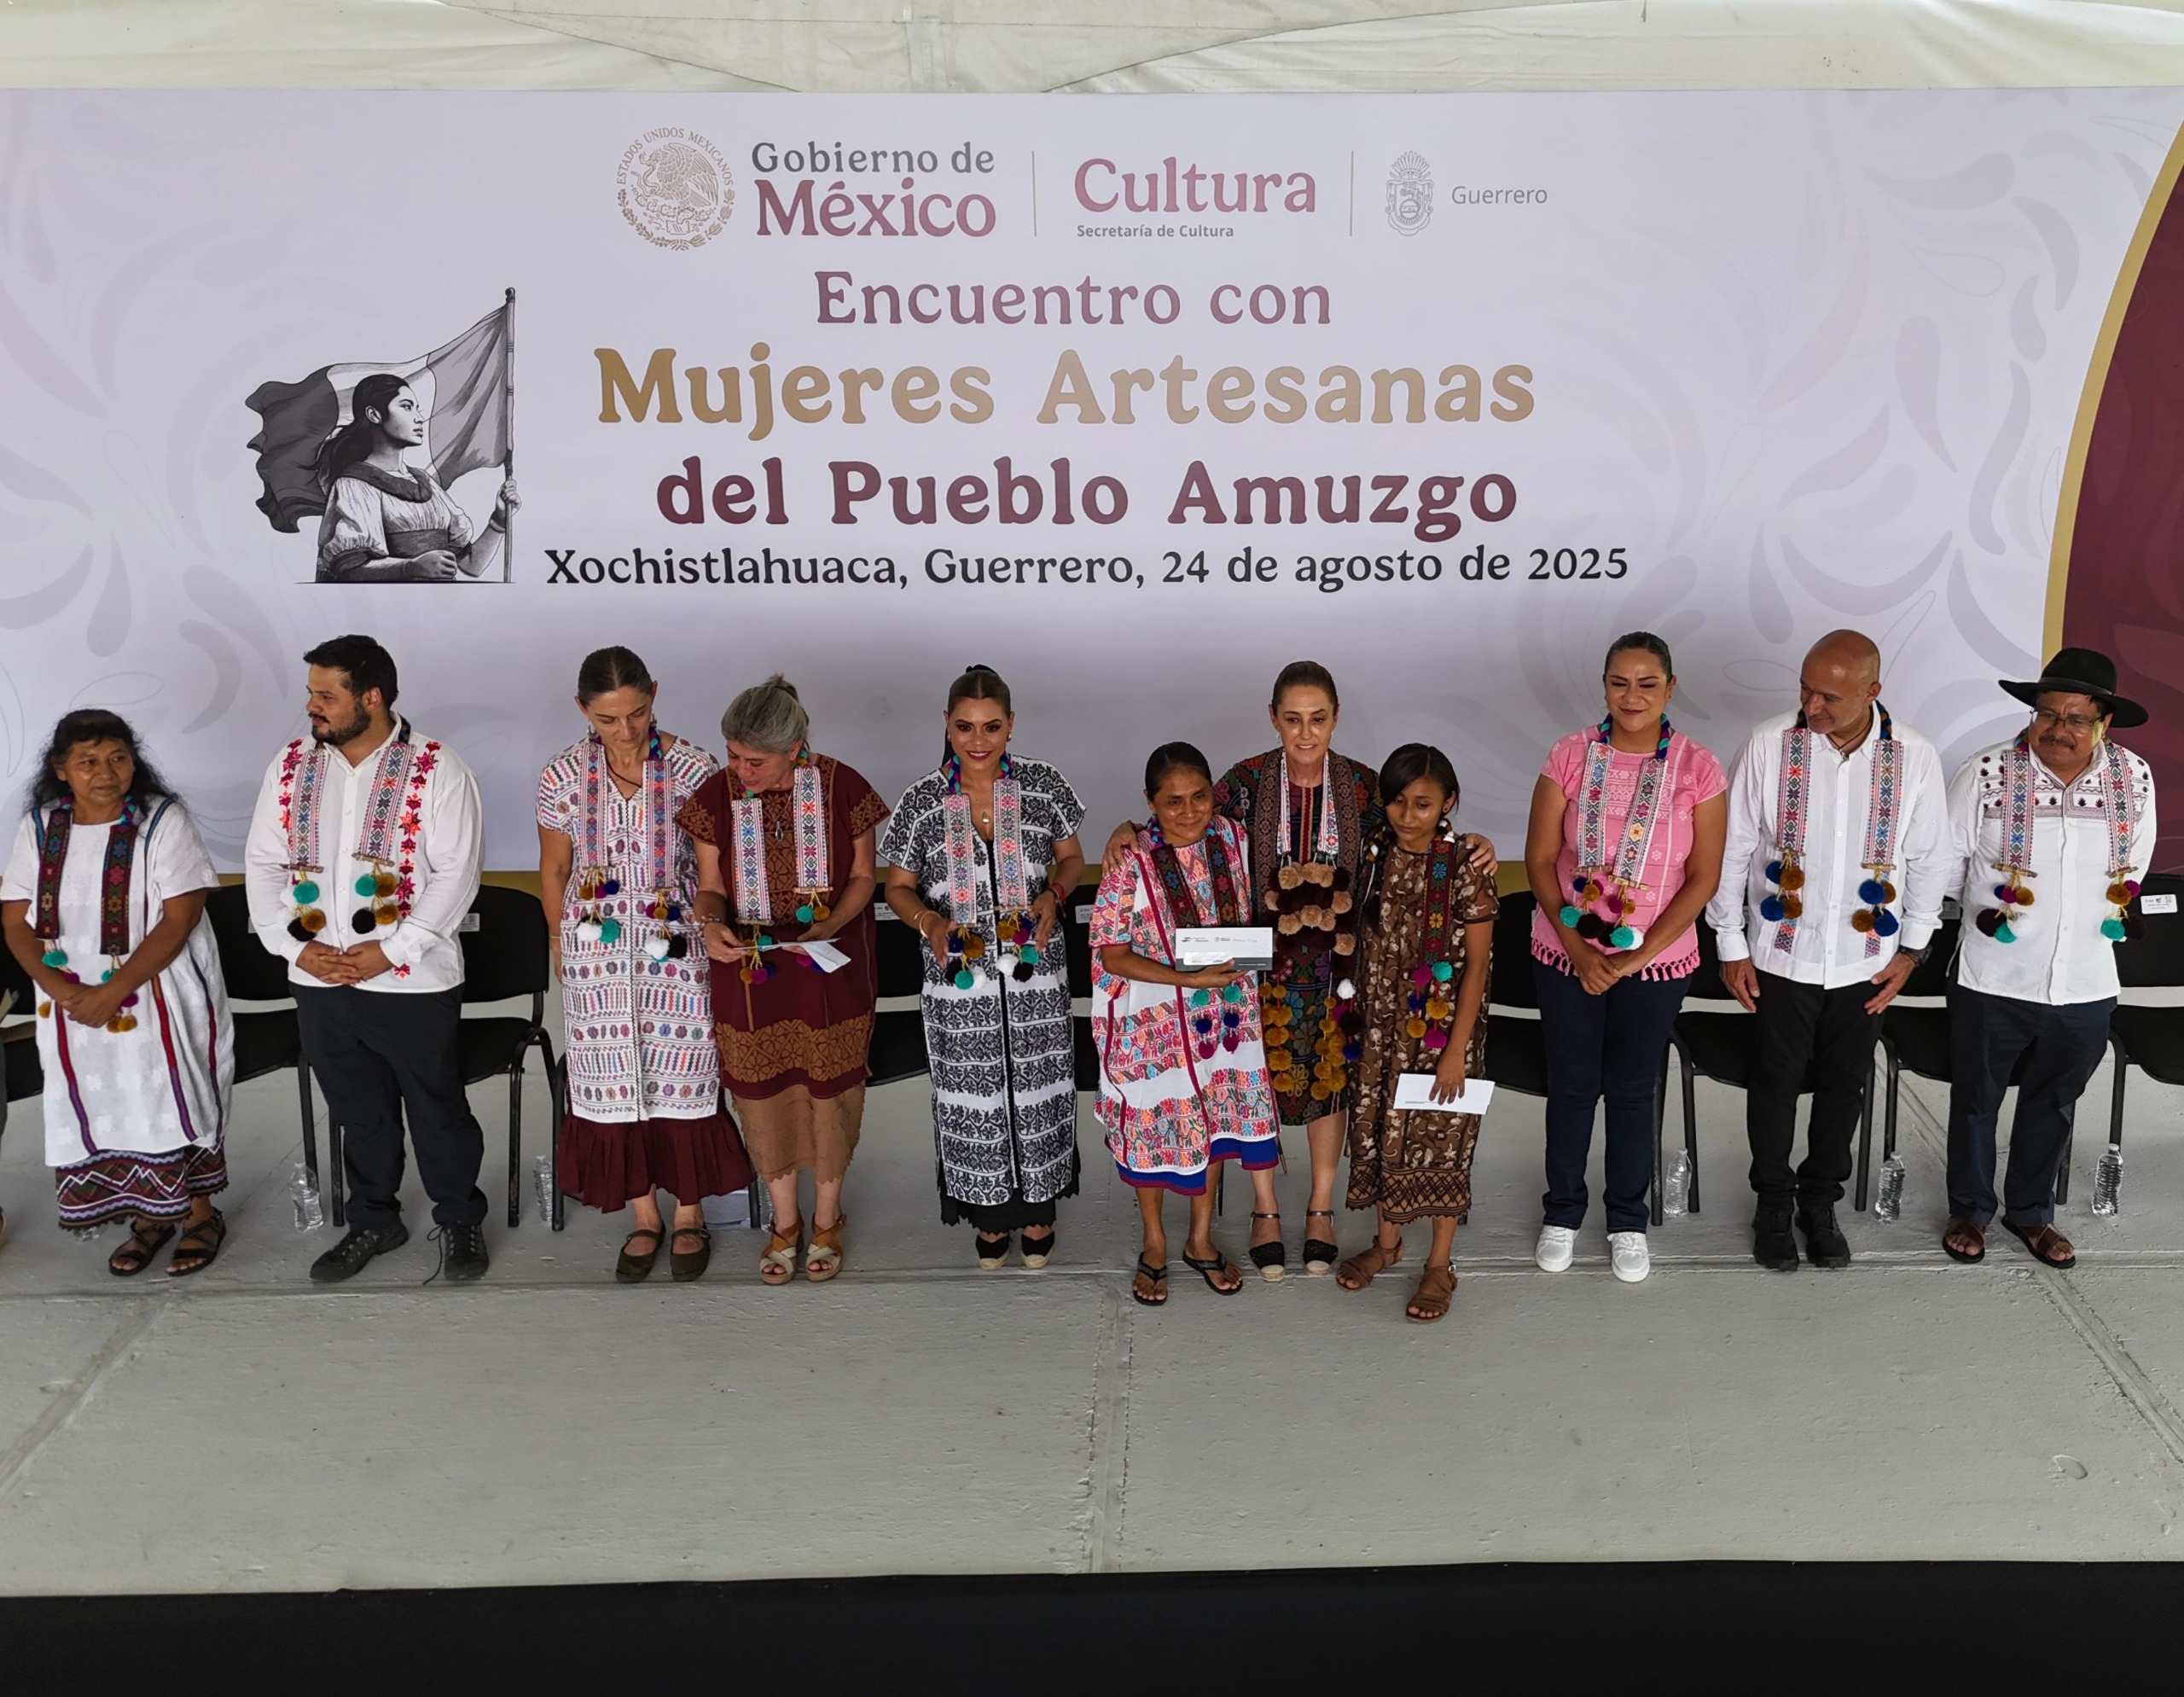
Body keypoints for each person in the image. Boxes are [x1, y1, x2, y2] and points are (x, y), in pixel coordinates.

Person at [1103, 661, 1493, 1280]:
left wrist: (1471, 840)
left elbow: (1414, 833)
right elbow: (1181, 822)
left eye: (1318, 718)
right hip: (1256, 968)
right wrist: (1126, 830)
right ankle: (1265, 1211)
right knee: (1252, 1081)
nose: (1306, 732)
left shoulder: (1364, 787)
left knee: (1331, 1079)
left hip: (1347, 970)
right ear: (1273, 719)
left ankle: (1319, 1207)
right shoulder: (1246, 782)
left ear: (1336, 717)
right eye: (1293, 719)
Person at [244, 634, 492, 1281]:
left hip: (412, 980)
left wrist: (392, 950)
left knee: (435, 1107)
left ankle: (460, 1218)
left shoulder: (438, 767)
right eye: (311, 693)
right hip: (320, 977)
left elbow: (456, 876)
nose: (312, 707)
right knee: (358, 1110)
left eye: (327, 695)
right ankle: (374, 1220)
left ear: (372, 697)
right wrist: (297, 947)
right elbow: (263, 863)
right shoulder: (292, 763)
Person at [1705, 631, 1950, 1271]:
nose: (1811, 705)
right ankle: (1772, 1202)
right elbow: (1732, 849)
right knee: (1776, 1082)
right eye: (1806, 689)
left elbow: (1928, 860)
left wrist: (1914, 950)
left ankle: (1820, 1201)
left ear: (1873, 691)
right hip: (1780, 954)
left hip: (1867, 959)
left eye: (1830, 697)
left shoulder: (1914, 755)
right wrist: (1730, 944)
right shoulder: (1767, 743)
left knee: (1845, 1085)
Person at [537, 646, 752, 1283]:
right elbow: (554, 869)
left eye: (636, 713)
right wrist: (559, 942)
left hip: (676, 948)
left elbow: (715, 871)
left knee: (682, 1080)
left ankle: (688, 1214)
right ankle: (644, 1215)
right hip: (596, 954)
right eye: (608, 719)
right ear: (583, 710)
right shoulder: (560, 776)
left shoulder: (694, 767)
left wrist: (712, 925)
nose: (625, 730)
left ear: (654, 693)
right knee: (612, 1089)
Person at [1940, 648, 2157, 1270]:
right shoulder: (1985, 772)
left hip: (2086, 980)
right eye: (2048, 713)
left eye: (2077, 718)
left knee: (2055, 1099)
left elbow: (2133, 867)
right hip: (1993, 974)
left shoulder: (2133, 779)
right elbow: (1948, 866)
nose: (2059, 728)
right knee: (1977, 1098)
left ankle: (2031, 1213)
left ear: (2104, 723)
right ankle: (1970, 1211)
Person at [1525, 631, 1728, 1284]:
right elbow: (1537, 859)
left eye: (1647, 683)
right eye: (1619, 682)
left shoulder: (1699, 769)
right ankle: (1562, 1210)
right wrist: (1580, 950)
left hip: (1655, 959)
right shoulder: (1570, 755)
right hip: (1567, 952)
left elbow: (1702, 877)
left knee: (1634, 1089)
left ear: (1670, 689)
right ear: (1604, 686)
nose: (1632, 695)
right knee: (1573, 1084)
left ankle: (1626, 1220)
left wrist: (1640, 957)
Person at [0, 712, 234, 1275]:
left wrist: (113, 990)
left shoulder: (162, 821)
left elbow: (181, 916)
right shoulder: (41, 827)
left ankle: (199, 1215)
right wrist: (59, 988)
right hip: (70, 1007)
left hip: (158, 995)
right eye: (87, 760)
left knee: (169, 1096)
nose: (105, 772)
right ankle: (148, 1218)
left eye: (118, 757)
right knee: (108, 1104)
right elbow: (14, 920)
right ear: (62, 770)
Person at [680, 677, 888, 1284]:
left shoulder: (843, 786)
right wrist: (711, 921)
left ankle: (826, 1220)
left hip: (829, 971)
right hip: (749, 975)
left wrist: (833, 923)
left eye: (754, 760)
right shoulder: (714, 796)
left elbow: (864, 879)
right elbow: (713, 884)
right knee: (761, 1094)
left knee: (829, 1096)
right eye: (733, 755)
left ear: (795, 747)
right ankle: (784, 1222)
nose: (739, 769)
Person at [881, 666, 1087, 1269]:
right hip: (959, 987)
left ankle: (1041, 1210)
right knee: (974, 1101)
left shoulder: (1045, 787)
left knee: (1040, 1094)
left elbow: (1072, 858)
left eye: (992, 726)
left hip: (1035, 981)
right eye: (965, 726)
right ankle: (990, 1218)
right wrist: (929, 923)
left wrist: (1054, 894)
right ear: (946, 724)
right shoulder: (921, 801)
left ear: (1011, 725)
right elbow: (898, 886)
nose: (979, 739)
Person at [1091, 742, 1280, 1305]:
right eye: (1172, 801)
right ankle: (1154, 1242)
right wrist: (1187, 979)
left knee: (1214, 1122)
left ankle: (1199, 1239)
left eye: (1199, 796)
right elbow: (1111, 953)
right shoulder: (1130, 860)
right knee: (1155, 1134)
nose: (1189, 810)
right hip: (1152, 1026)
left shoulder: (1234, 840)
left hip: (1222, 1019)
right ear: (1149, 802)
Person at [1335, 745, 1496, 1322]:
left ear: (1448, 802)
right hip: (1380, 1031)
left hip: (1441, 1035)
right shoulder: (1372, 858)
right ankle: (1387, 1243)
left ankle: (1438, 1263)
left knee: (1442, 1139)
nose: (1409, 814)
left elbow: (1477, 966)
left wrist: (1456, 1051)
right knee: (1380, 1131)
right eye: (1399, 801)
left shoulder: (1465, 870)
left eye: (1424, 803)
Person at [311, 373, 518, 584]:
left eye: (416, 408)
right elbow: (349, 570)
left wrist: (499, 519)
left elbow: (471, 566)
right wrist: (411, 568)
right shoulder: (354, 484)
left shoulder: (425, 483)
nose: (419, 417)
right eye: (407, 407)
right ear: (375, 415)